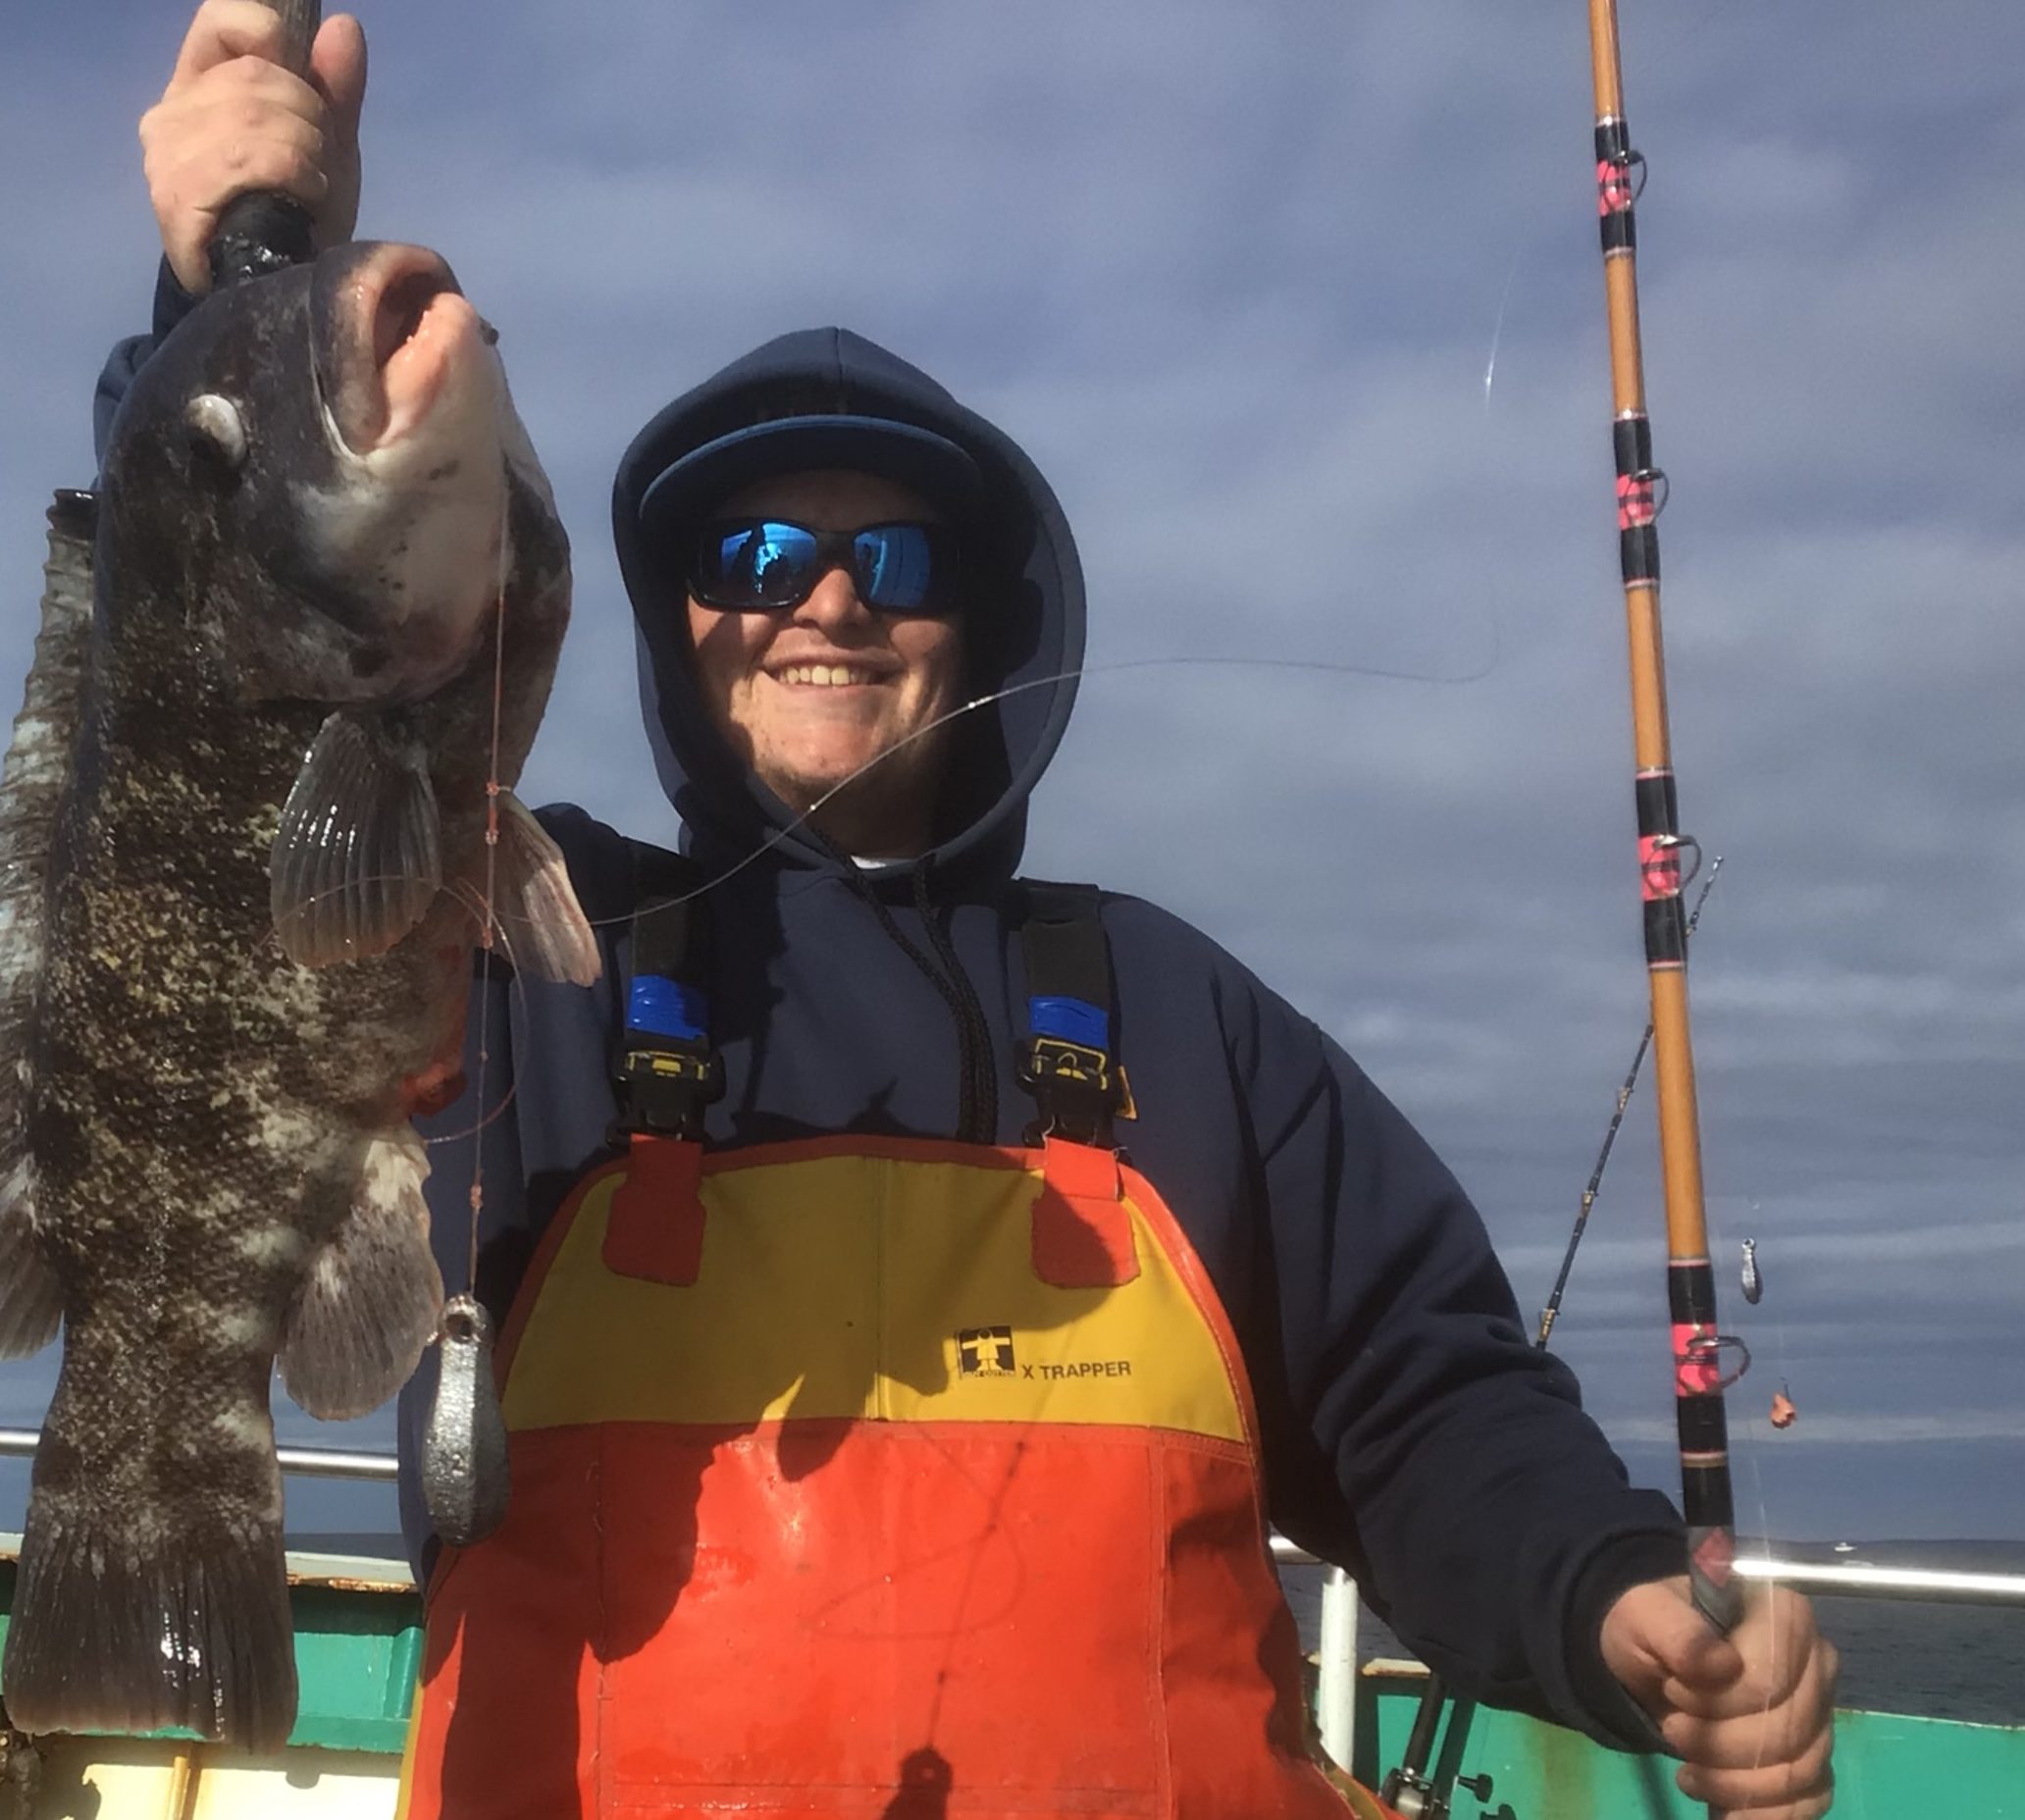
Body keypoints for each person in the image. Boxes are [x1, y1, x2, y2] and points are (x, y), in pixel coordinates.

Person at [95, 8, 1839, 1816]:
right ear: (679, 623)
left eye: (897, 558)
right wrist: (239, 300)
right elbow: (217, 779)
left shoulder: (1173, 1011)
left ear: (984, 626)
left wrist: (1607, 1591)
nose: (827, 603)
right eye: (753, 556)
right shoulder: (523, 945)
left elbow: (1423, 1397)